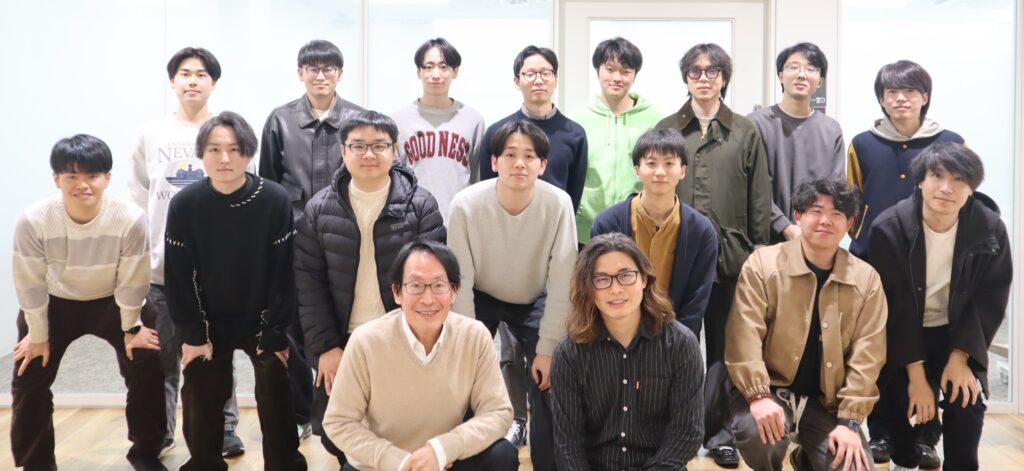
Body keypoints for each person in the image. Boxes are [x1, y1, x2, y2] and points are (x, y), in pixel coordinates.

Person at [294, 110, 446, 464]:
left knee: (407, 422)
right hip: (344, 338)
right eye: (358, 146)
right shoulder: (319, 209)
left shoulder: (420, 205)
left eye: (379, 146)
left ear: (395, 150)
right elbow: (309, 283)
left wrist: (421, 337)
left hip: (404, 334)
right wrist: (326, 347)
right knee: (334, 431)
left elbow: (433, 280)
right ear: (343, 152)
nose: (369, 154)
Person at [12, 134, 165, 471]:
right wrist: (37, 334)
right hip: (55, 301)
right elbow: (29, 280)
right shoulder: (34, 219)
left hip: (115, 299)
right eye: (72, 176)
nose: (83, 185)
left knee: (147, 361)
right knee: (28, 372)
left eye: (92, 176)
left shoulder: (130, 217)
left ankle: (146, 453)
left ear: (107, 178)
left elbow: (134, 277)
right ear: (56, 179)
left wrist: (132, 327)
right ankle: (36, 463)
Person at [164, 111, 306, 470]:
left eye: (234, 149)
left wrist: (274, 331)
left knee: (276, 384)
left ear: (248, 153)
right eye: (214, 149)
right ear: (202, 153)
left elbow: (283, 273)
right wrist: (194, 334)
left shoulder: (273, 199)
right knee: (200, 390)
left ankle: (285, 464)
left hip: (261, 318)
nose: (224, 158)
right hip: (208, 320)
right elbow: (179, 276)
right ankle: (204, 463)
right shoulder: (185, 204)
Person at [654, 42, 772, 469]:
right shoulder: (668, 128)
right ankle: (671, 431)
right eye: (695, 71)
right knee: (673, 345)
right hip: (676, 257)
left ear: (724, 77)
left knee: (724, 349)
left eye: (712, 71)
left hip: (732, 258)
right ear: (685, 77)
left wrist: (759, 253)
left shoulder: (745, 131)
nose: (703, 78)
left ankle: (719, 435)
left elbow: (760, 198)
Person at [127, 46, 248, 457]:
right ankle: (162, 432)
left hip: (217, 272)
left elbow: (245, 192)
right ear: (172, 81)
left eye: (201, 74)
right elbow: (140, 195)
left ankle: (224, 429)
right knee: (164, 358)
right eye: (184, 73)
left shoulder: (228, 131)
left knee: (218, 356)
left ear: (214, 83)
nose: (193, 80)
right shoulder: (151, 133)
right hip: (162, 270)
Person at [846, 60, 964, 466]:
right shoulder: (862, 143)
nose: (900, 99)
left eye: (910, 91)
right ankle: (881, 433)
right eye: (892, 92)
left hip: (933, 262)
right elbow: (853, 197)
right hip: (874, 262)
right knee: (877, 346)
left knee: (929, 345)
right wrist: (862, 237)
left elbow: (962, 193)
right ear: (881, 99)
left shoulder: (950, 142)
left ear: (924, 97)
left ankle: (926, 437)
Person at [726, 178, 887, 471]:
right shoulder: (763, 264)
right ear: (798, 216)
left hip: (826, 405)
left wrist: (850, 422)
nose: (825, 220)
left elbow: (869, 356)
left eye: (837, 213)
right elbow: (743, 335)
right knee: (758, 435)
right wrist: (758, 396)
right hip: (771, 392)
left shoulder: (866, 280)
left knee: (855, 467)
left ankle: (807, 460)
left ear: (850, 223)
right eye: (816, 211)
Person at [868, 143, 1011, 471]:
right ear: (920, 181)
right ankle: (906, 458)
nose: (947, 188)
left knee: (967, 401)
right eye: (937, 176)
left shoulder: (989, 228)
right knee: (902, 402)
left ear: (971, 188)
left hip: (957, 332)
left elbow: (989, 298)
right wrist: (917, 375)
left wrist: (961, 357)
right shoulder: (889, 228)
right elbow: (895, 305)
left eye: (959, 180)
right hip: (904, 332)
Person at [448, 119, 577, 471]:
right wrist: (469, 349)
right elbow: (460, 279)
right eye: (510, 155)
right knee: (462, 374)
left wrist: (547, 350)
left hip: (533, 297)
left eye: (529, 156)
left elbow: (563, 279)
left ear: (543, 165)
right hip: (480, 294)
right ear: (494, 161)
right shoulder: (465, 204)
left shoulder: (558, 204)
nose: (519, 163)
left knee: (552, 375)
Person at [323, 240, 518, 471]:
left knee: (503, 455)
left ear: (454, 291)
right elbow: (339, 421)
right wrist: (400, 462)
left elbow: (498, 412)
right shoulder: (366, 342)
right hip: (387, 466)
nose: (428, 299)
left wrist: (440, 450)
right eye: (415, 286)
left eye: (439, 286)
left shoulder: (474, 336)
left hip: (446, 461)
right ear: (397, 292)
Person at [551, 233, 704, 470]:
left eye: (625, 276)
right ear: (588, 288)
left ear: (644, 278)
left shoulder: (680, 344)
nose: (616, 289)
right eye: (602, 279)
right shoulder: (569, 353)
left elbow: (687, 432)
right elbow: (568, 444)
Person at [591, 128, 717, 336]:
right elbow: (599, 287)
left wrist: (679, 344)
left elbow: (696, 303)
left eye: (669, 163)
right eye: (651, 163)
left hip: (675, 338)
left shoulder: (701, 231)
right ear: (637, 170)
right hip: (616, 333)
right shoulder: (607, 223)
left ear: (683, 171)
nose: (660, 171)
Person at [747, 42, 845, 243]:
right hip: (766, 240)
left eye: (810, 69)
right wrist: (784, 226)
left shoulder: (831, 129)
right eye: (793, 67)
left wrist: (811, 225)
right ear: (781, 76)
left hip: (815, 239)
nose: (801, 74)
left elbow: (836, 188)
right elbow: (750, 186)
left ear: (820, 81)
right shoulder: (755, 124)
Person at [572, 37, 661, 245]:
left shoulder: (654, 120)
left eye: (625, 71)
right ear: (598, 71)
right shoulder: (576, 120)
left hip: (639, 229)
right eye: (610, 69)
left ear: (634, 75)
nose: (617, 78)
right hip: (586, 231)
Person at [478, 45, 588, 212]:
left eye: (546, 73)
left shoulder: (575, 134)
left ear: (556, 79)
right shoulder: (497, 132)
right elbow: (487, 189)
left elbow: (573, 195)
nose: (538, 80)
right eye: (530, 74)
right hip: (504, 220)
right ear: (517, 81)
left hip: (554, 220)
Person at [392, 37, 485, 225]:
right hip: (413, 223)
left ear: (455, 71)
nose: (436, 74)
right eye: (428, 67)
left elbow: (477, 179)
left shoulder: (473, 119)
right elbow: (394, 179)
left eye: (443, 67)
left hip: (460, 222)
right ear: (418, 72)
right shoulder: (398, 120)